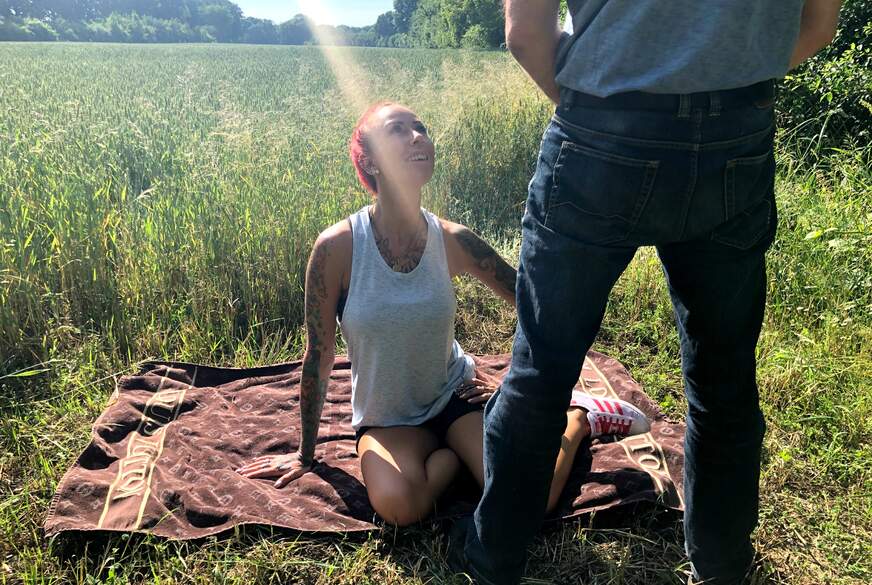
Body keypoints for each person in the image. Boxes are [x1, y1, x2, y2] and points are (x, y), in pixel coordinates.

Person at [448, 1, 844, 584]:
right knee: (724, 377)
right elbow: (818, 26)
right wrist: (726, 76)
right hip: (737, 135)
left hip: (602, 125)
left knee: (542, 370)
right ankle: (721, 565)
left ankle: (493, 558)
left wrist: (602, 108)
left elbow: (526, 33)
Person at [236, 101, 650, 526]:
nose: (417, 136)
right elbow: (319, 354)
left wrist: (514, 386)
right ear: (370, 162)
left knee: (530, 499)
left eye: (421, 127)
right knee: (400, 507)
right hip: (387, 418)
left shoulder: (454, 240)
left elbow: (533, 305)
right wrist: (304, 455)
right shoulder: (336, 249)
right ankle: (454, 460)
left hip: (455, 398)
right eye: (398, 129)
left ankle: (579, 418)